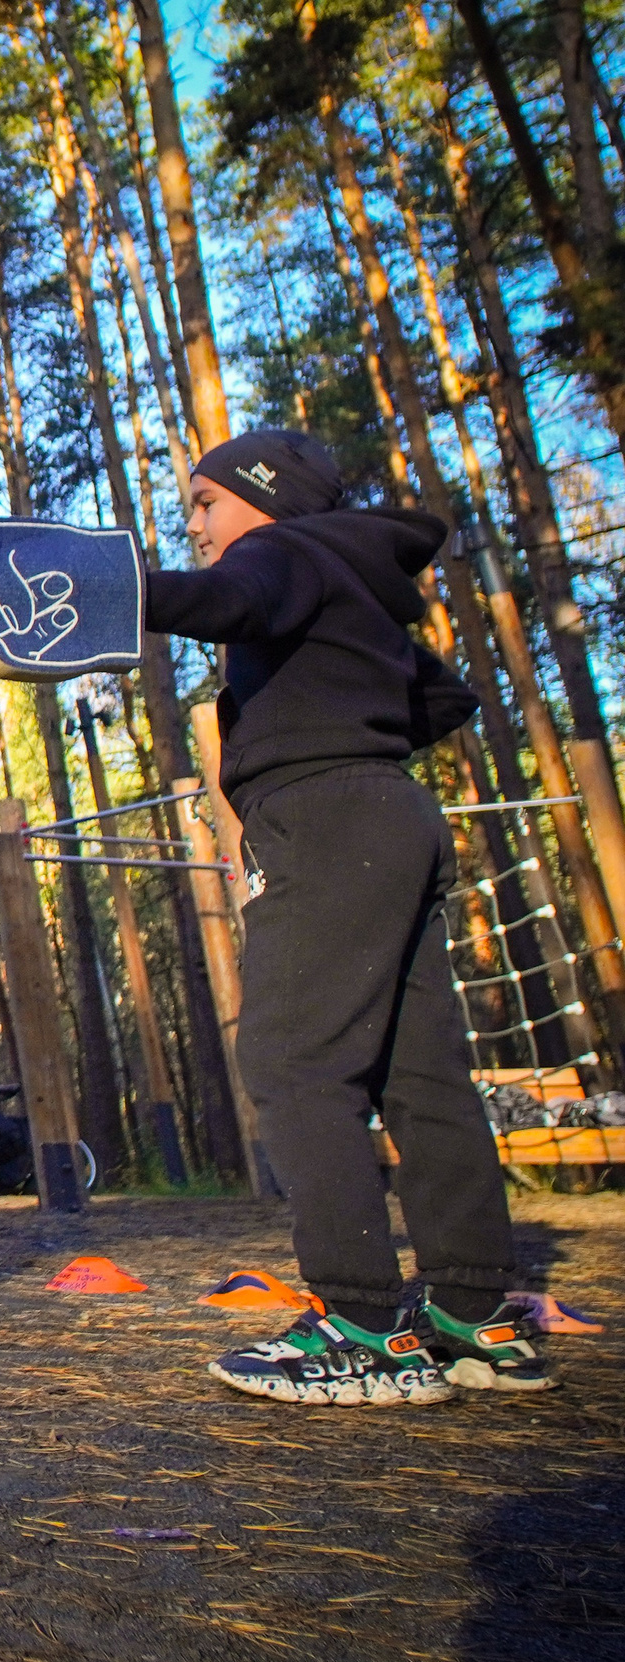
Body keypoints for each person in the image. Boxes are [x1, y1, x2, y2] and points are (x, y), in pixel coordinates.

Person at [147, 428, 551, 1404]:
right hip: (390, 810)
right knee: (421, 1072)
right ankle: (474, 1316)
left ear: (266, 497)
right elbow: (441, 695)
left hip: (326, 820)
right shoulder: (353, 577)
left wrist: (109, 588)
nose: (194, 522)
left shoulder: (280, 551)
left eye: (206, 501)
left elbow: (224, 601)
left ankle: (363, 1325)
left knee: (293, 1059)